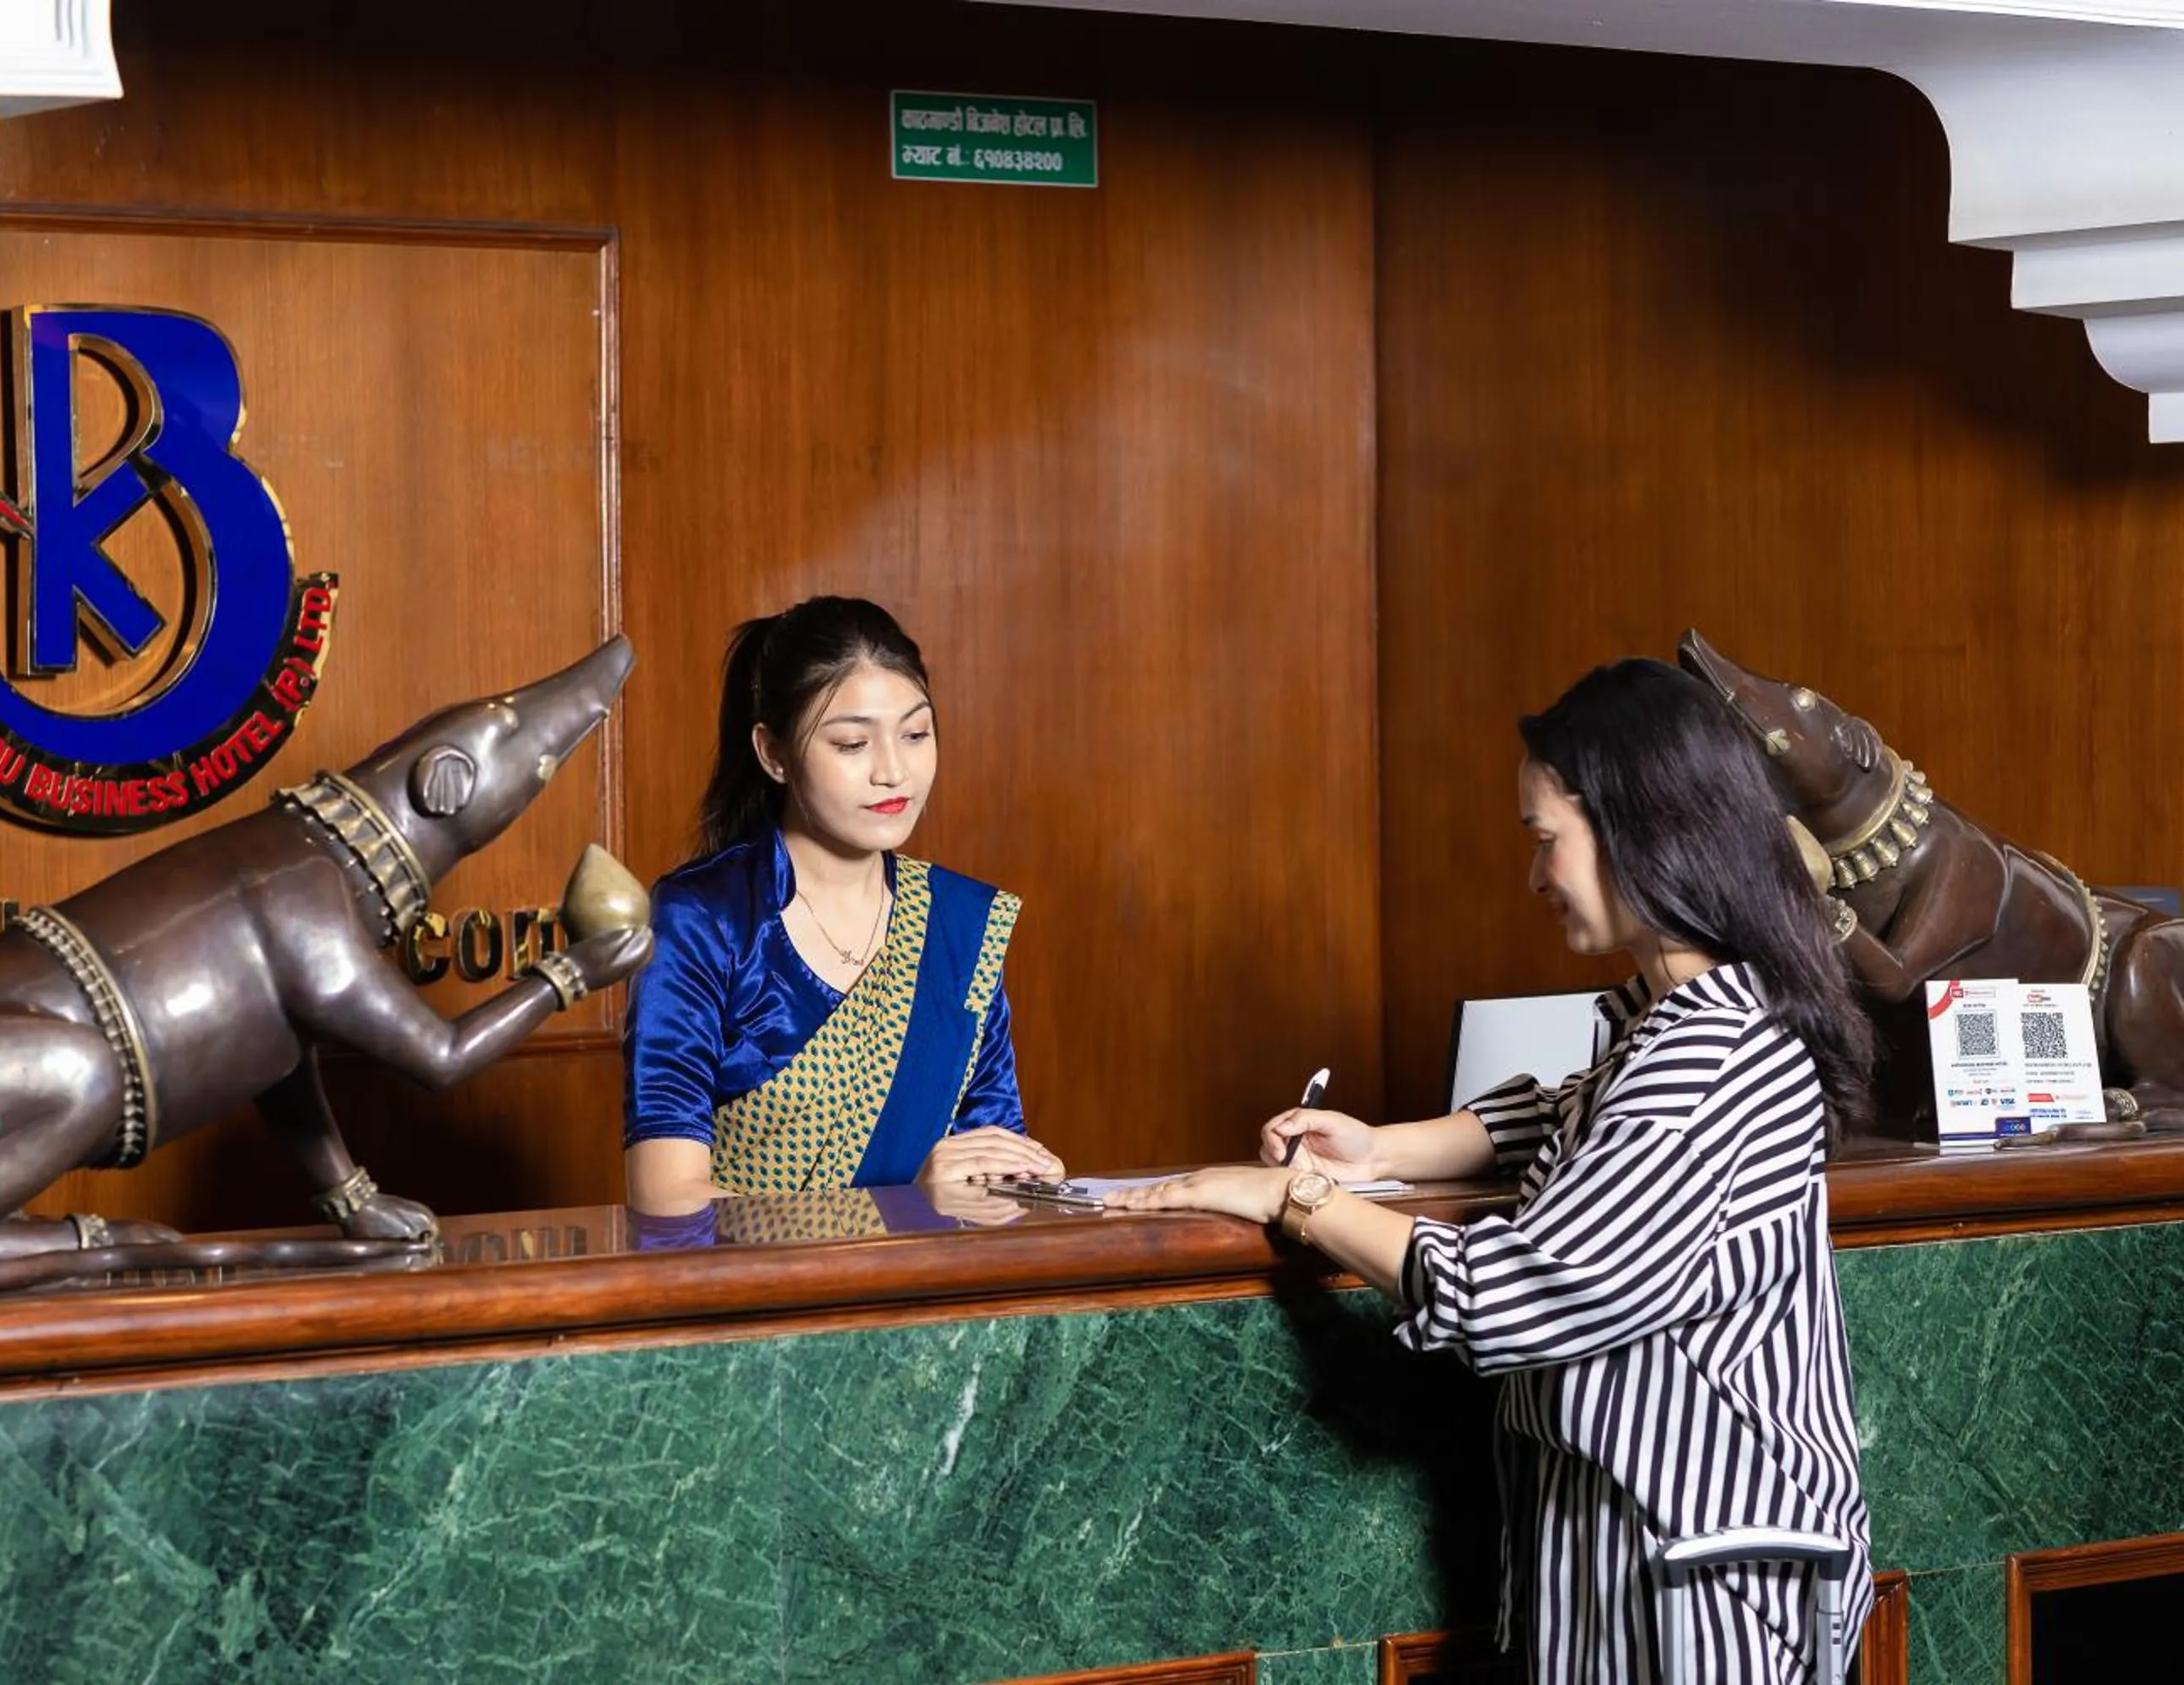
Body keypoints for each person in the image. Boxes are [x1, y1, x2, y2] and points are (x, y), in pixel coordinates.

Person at [1111, 658, 1874, 1684]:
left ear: (1643, 832)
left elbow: (1512, 1291)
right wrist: (1380, 1148)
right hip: (1650, 1564)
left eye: (1545, 839)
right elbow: (1564, 1112)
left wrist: (1298, 1199)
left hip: (1711, 1581)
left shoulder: (1706, 1061)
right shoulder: (1682, 1025)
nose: (1534, 875)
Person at [622, 596, 1062, 1212]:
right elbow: (667, 1198)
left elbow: (989, 1160)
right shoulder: (705, 917)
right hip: (754, 1299)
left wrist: (1022, 1177)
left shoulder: (959, 925)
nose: (893, 772)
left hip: (932, 1295)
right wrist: (899, 1207)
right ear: (773, 753)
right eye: (853, 744)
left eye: (915, 734)